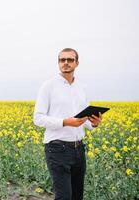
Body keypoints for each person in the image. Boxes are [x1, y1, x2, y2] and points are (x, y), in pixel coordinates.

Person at [33, 48, 102, 200]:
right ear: (58, 63)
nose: (65, 63)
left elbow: (83, 121)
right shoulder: (48, 86)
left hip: (79, 149)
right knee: (64, 197)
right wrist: (64, 122)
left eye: (70, 60)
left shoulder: (82, 88)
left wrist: (94, 124)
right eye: (62, 60)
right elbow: (37, 118)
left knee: (77, 196)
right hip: (57, 149)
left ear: (77, 63)